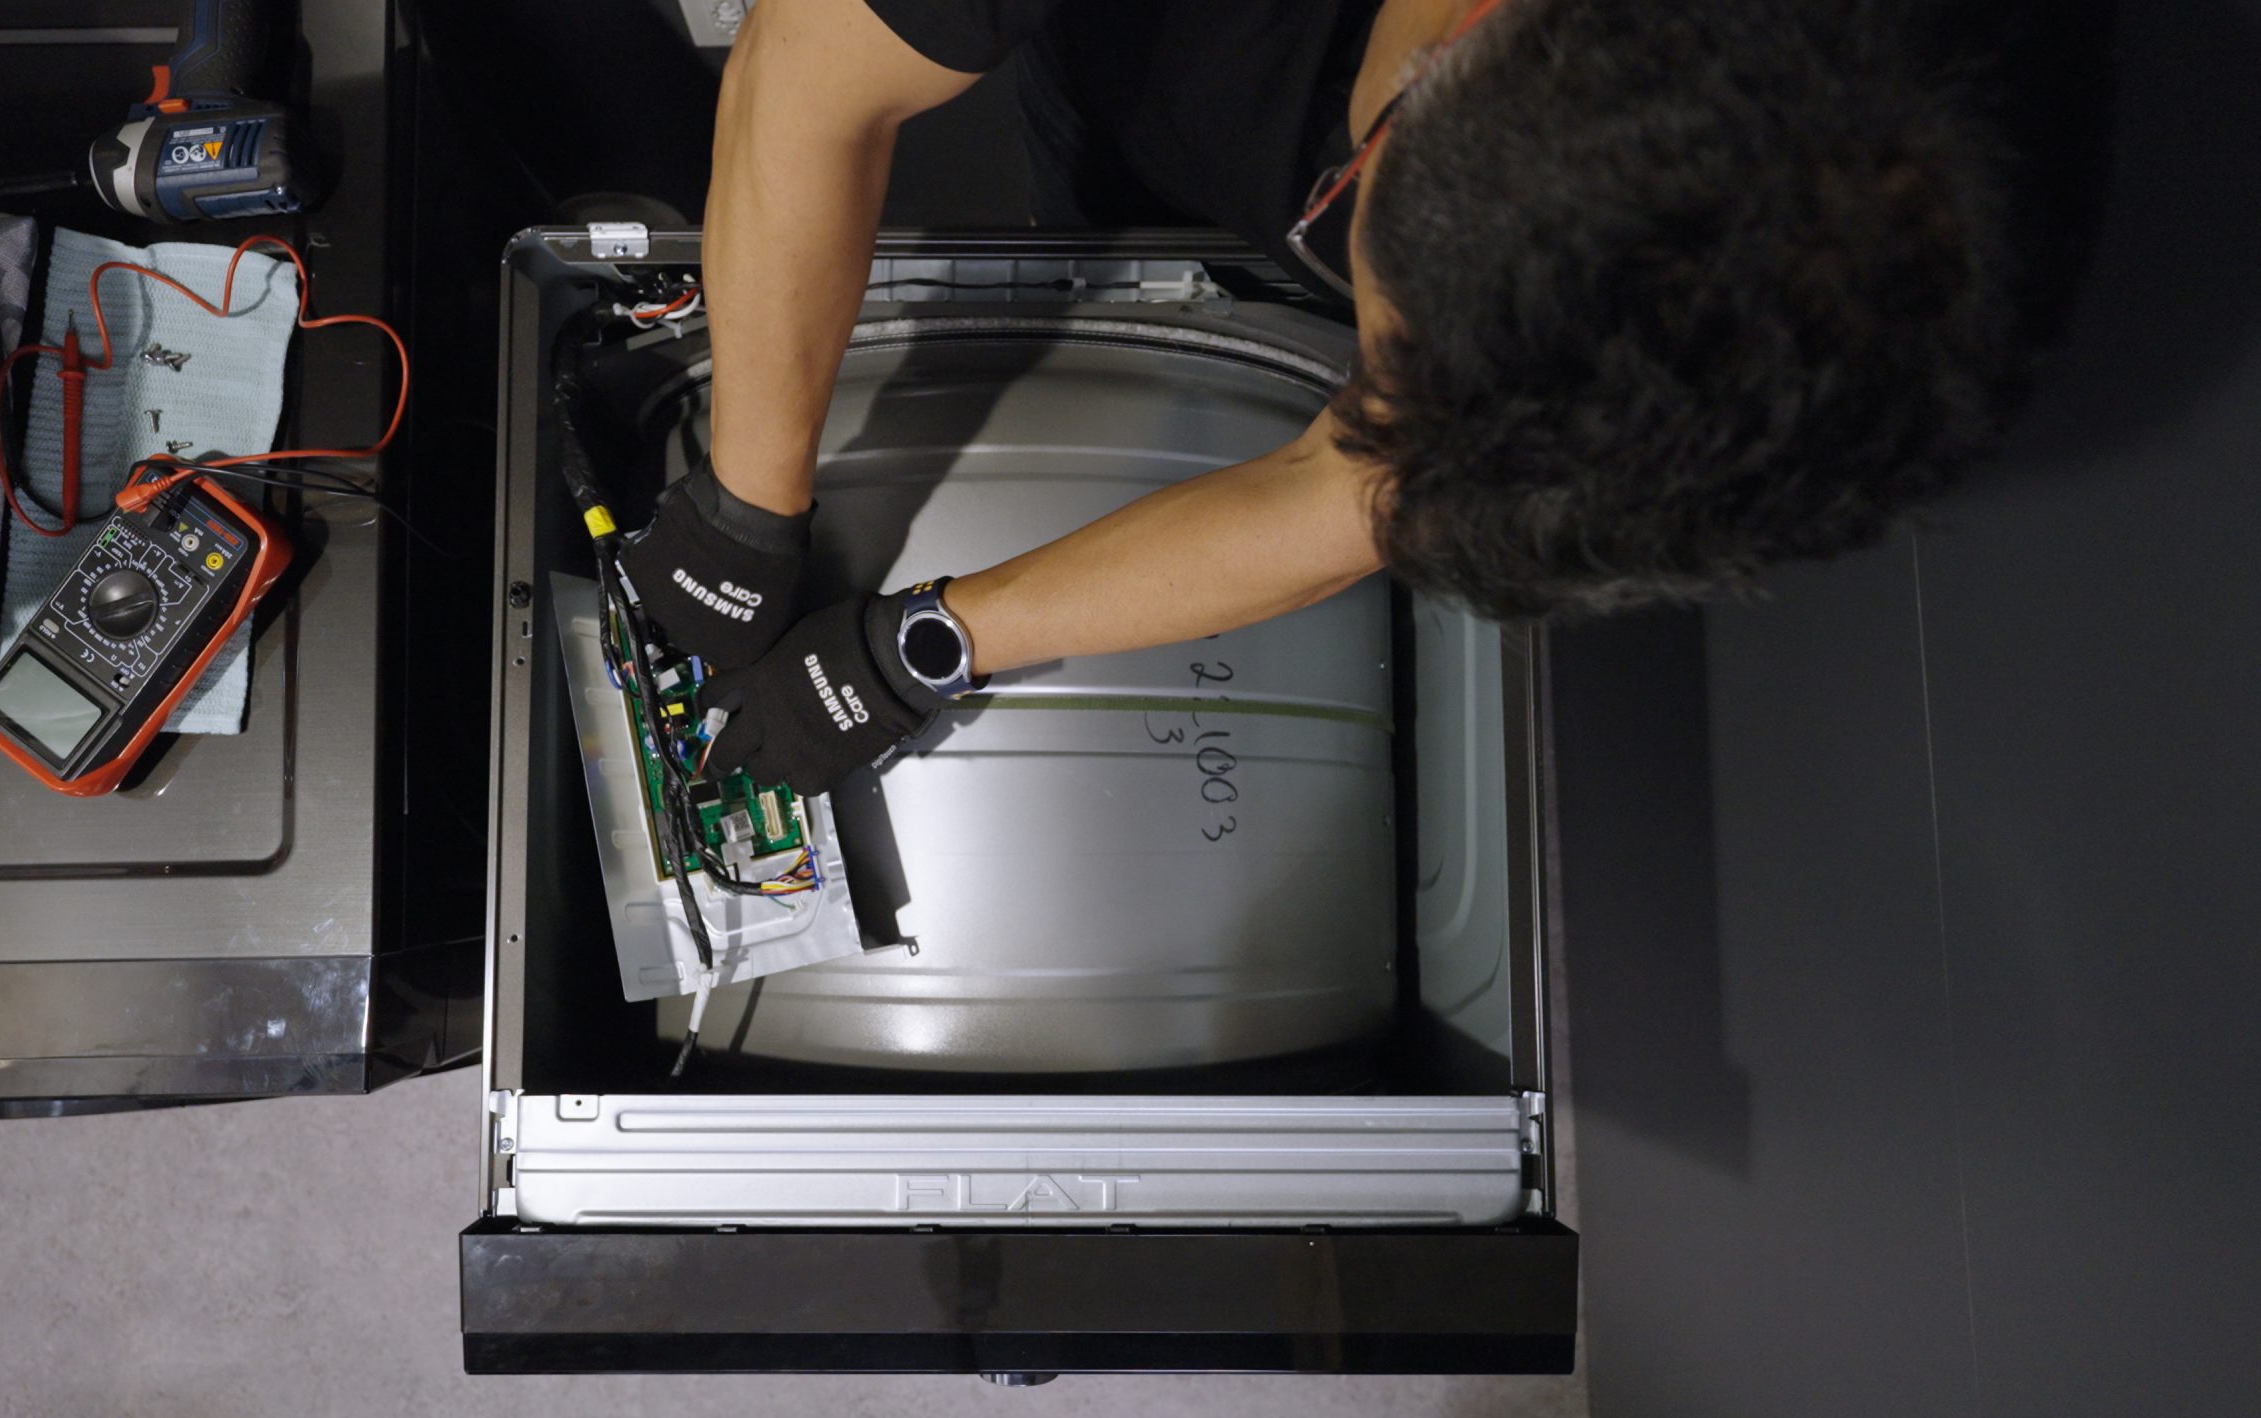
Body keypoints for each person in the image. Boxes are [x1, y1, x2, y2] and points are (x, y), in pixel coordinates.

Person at [622, 0, 2054, 795]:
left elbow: (1355, 490)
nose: (1354, 426)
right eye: (1378, 364)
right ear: (1452, 57)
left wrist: (926, 648)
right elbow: (810, 71)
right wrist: (748, 503)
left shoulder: (1883, 254)